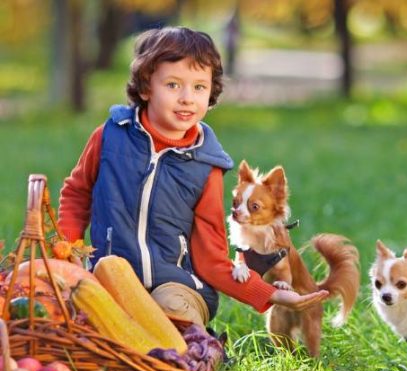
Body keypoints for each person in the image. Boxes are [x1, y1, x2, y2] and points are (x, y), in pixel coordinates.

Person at [58, 26, 327, 326]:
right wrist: (66, 252)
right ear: (146, 88)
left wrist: (268, 294)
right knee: (85, 315)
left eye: (199, 87)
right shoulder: (110, 137)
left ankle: (184, 351)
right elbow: (77, 194)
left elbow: (212, 258)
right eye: (173, 85)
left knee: (170, 310)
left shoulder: (205, 167)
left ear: (211, 92)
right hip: (109, 278)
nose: (187, 98)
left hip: (177, 286)